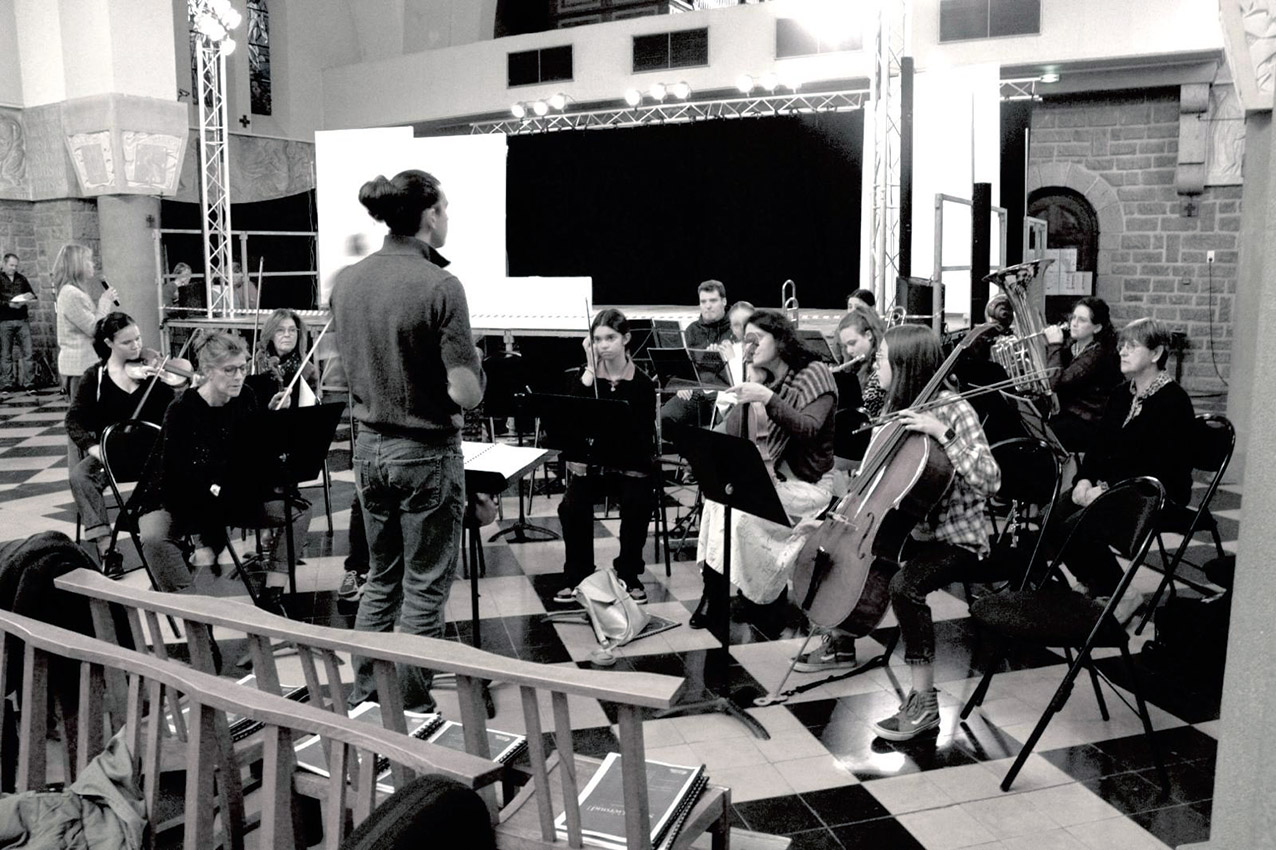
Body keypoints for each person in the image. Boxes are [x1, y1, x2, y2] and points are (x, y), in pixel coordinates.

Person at [794, 324, 1001, 743]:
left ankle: (924, 704)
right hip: (908, 530)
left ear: (905, 365)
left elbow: (991, 480)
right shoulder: (896, 408)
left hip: (957, 538)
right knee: (845, 555)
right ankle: (842, 639)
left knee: (905, 586)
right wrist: (835, 515)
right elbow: (870, 486)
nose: (876, 368)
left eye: (884, 360)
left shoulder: (953, 409)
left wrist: (941, 433)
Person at [330, 169, 484, 714]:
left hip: (368, 451)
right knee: (423, 590)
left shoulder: (346, 281)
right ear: (429, 215)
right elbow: (465, 393)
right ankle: (412, 713)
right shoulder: (441, 286)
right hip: (425, 455)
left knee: (381, 578)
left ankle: (369, 698)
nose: (447, 217)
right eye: (445, 208)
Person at [691, 309, 838, 628]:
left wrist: (767, 397)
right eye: (747, 340)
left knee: (741, 513)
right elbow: (734, 434)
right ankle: (715, 595)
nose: (751, 346)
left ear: (781, 341)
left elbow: (809, 428)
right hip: (772, 479)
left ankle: (761, 597)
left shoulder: (815, 374)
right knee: (717, 500)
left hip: (809, 484)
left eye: (757, 339)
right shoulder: (760, 375)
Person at [134, 332, 308, 596]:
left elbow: (251, 451)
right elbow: (176, 475)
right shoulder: (181, 410)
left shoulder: (245, 396)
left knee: (298, 511)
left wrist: (271, 421)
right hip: (182, 497)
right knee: (153, 537)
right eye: (229, 370)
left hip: (230, 493)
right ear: (207, 371)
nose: (238, 376)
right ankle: (193, 612)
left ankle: (273, 593)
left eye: (242, 368)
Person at [1043, 317, 1195, 619]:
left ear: (1155, 354)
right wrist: (1085, 480)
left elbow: (1160, 465)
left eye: (1132, 346)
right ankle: (1096, 583)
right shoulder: (1120, 394)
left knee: (1079, 525)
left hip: (1156, 491)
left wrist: (1106, 489)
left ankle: (1122, 593)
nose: (1122, 352)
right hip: (1116, 486)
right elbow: (1099, 448)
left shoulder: (1173, 401)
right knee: (1052, 518)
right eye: (1122, 346)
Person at [554, 308, 657, 603]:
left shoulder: (642, 383)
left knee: (639, 502)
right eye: (597, 339)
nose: (603, 345)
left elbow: (641, 435)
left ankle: (628, 573)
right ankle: (579, 574)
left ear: (626, 339)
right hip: (591, 467)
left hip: (628, 467)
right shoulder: (585, 379)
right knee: (571, 507)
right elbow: (569, 418)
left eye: (610, 338)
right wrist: (589, 369)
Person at [65, 313, 180, 567]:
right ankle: (107, 547)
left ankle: (175, 536)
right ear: (109, 343)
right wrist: (93, 447)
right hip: (113, 455)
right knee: (80, 476)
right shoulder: (95, 377)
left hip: (152, 455)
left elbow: (175, 413)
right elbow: (73, 420)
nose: (137, 346)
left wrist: (171, 386)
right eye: (128, 342)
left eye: (138, 339)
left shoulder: (154, 373)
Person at [1043, 296, 1122, 453]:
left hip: (1089, 422)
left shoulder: (1097, 354)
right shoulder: (1073, 346)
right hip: (1071, 415)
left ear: (1097, 328)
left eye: (1082, 320)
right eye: (1073, 318)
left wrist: (1053, 346)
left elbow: (1056, 383)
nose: (1074, 323)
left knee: (1045, 437)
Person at [54, 243, 118, 399]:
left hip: (84, 363)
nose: (93, 264)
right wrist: (104, 302)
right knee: (82, 417)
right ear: (78, 265)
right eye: (88, 260)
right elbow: (93, 328)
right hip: (78, 366)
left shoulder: (76, 292)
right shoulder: (71, 293)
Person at [251, 308, 319, 407]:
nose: (287, 335)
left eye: (292, 330)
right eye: (280, 330)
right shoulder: (254, 366)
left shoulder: (307, 370)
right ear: (270, 335)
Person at [833, 305, 887, 418]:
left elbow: (866, 408)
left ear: (868, 335)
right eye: (845, 346)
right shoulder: (857, 367)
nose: (849, 351)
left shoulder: (882, 368)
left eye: (852, 343)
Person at [1, 252, 35, 393]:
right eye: (11, 265)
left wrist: (28, 296)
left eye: (16, 265)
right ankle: (7, 384)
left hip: (22, 320)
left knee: (28, 352)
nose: (14, 268)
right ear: (4, 263)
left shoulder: (22, 279)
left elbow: (32, 294)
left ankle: (29, 384)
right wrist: (8, 304)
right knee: (5, 354)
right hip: (4, 320)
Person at [683, 279, 733, 349]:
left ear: (724, 301)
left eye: (713, 301)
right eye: (703, 302)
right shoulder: (691, 331)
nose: (708, 306)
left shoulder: (736, 329)